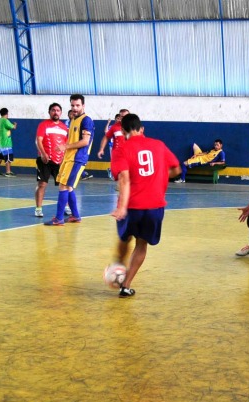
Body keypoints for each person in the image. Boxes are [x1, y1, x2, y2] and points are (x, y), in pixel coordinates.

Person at [110, 113, 181, 297]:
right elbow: (176, 169)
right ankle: (126, 285)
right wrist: (159, 175)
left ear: (123, 130)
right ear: (142, 129)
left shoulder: (121, 150)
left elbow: (124, 179)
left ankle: (119, 265)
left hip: (132, 206)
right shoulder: (159, 145)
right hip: (155, 205)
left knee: (125, 238)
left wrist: (121, 207)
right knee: (142, 244)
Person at [44, 94, 94, 226]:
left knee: (63, 185)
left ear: (83, 105)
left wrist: (65, 146)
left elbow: (85, 141)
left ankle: (59, 218)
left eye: (78, 105)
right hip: (68, 158)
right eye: (72, 105)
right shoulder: (73, 120)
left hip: (77, 159)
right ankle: (75, 216)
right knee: (68, 187)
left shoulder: (86, 120)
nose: (75, 108)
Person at [34, 103, 68, 218]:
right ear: (49, 112)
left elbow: (66, 144)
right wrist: (43, 154)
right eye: (53, 110)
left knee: (64, 185)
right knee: (42, 184)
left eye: (58, 110)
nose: (56, 112)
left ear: (61, 113)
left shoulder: (64, 128)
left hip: (60, 161)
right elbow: (39, 140)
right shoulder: (43, 125)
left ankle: (66, 207)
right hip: (45, 160)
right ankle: (38, 209)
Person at [98, 108, 129, 180]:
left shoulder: (133, 126)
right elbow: (106, 137)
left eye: (125, 116)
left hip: (129, 153)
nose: (123, 118)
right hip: (118, 154)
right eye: (121, 116)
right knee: (121, 172)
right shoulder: (114, 127)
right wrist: (101, 149)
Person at [0, 108, 17, 177]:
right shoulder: (5, 120)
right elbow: (13, 127)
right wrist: (15, 124)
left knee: (0, 157)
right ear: (6, 113)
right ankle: (8, 172)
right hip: (6, 143)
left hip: (1, 142)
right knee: (8, 157)